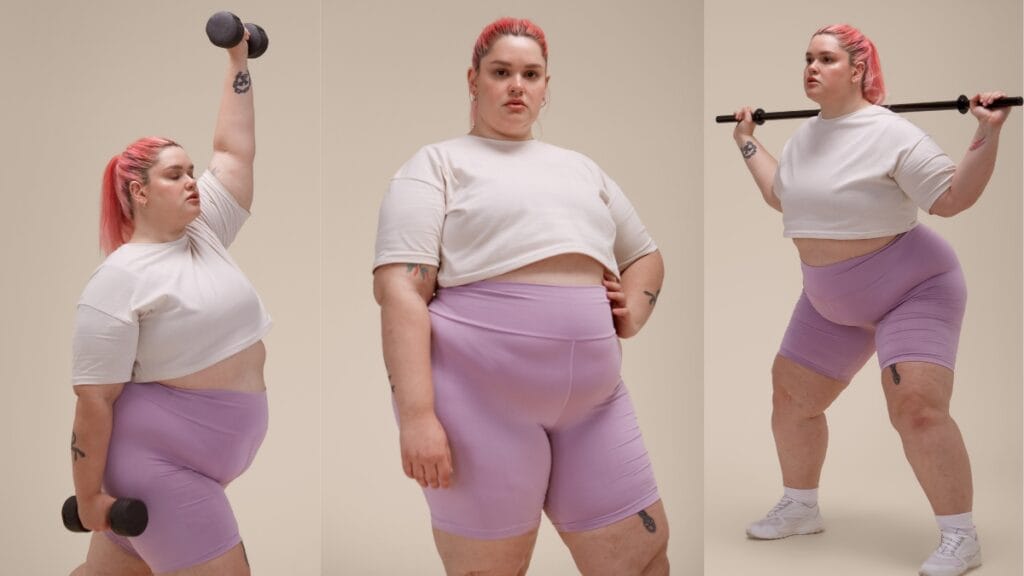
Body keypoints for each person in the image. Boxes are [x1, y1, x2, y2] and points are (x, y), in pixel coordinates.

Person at [373, 17, 670, 576]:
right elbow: (400, 292)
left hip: (595, 406)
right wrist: (417, 417)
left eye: (531, 75)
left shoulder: (582, 169)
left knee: (643, 559)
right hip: (478, 404)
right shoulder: (436, 164)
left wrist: (635, 308)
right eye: (501, 72)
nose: (517, 86)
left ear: (545, 86)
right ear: (473, 80)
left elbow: (645, 255)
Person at [731, 23, 1010, 576]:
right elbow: (781, 196)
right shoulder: (804, 138)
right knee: (791, 398)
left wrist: (987, 131)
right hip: (830, 300)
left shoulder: (893, 134)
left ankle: (961, 536)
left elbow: (952, 198)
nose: (811, 67)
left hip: (913, 288)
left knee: (917, 409)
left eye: (826, 59)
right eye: (808, 58)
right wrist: (745, 140)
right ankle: (801, 507)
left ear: (858, 70)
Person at [69, 28, 269, 576]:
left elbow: (234, 150)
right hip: (157, 468)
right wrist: (88, 499)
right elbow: (93, 399)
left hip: (198, 463)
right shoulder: (117, 280)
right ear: (139, 191)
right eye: (174, 174)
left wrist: (238, 60)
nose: (192, 182)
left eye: (191, 171)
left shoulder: (203, 231)